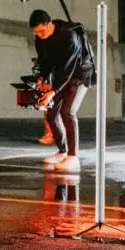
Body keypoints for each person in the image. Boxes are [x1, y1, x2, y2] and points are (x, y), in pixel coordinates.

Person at [29, 9, 95, 173]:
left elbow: (69, 69)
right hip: (62, 76)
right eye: (36, 32)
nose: (40, 35)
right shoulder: (40, 39)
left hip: (79, 74)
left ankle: (73, 157)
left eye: (42, 31)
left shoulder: (68, 36)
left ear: (49, 23)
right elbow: (45, 63)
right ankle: (62, 151)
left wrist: (53, 91)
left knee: (67, 111)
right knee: (51, 113)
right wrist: (42, 78)